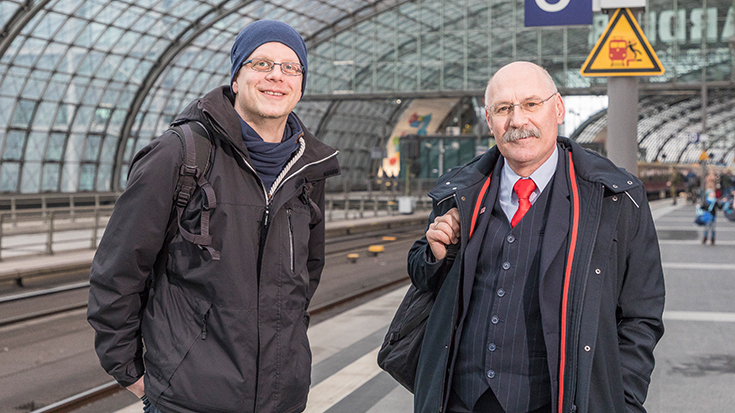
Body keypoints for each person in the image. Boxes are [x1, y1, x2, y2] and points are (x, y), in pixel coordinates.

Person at [87, 20, 340, 413]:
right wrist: (133, 373)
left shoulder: (309, 170)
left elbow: (305, 279)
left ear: (301, 85)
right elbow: (117, 270)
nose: (277, 76)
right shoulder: (179, 154)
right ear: (236, 78)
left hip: (281, 400)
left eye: (291, 68)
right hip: (188, 400)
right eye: (261, 64)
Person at [407, 61, 665, 413]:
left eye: (531, 104)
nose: (517, 121)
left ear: (557, 109)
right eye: (503, 109)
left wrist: (621, 401)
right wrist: (435, 256)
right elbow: (422, 277)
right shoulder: (460, 190)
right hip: (462, 400)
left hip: (559, 401)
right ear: (489, 121)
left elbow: (641, 314)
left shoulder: (614, 197)